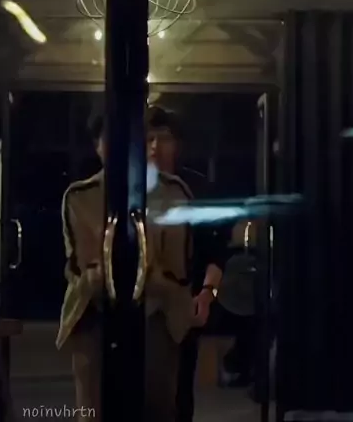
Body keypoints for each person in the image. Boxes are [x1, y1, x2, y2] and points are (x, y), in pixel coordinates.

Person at [56, 107, 194, 422]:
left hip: (157, 311)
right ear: (97, 146)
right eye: (110, 139)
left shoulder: (174, 193)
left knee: (158, 406)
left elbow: (177, 270)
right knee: (93, 409)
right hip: (96, 310)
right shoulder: (80, 197)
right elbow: (84, 269)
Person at [145, 104, 229, 422]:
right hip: (139, 305)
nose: (155, 146)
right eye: (148, 138)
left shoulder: (196, 189)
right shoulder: (130, 187)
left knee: (178, 395)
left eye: (164, 138)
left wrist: (206, 294)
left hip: (182, 304)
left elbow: (215, 252)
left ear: (177, 144)